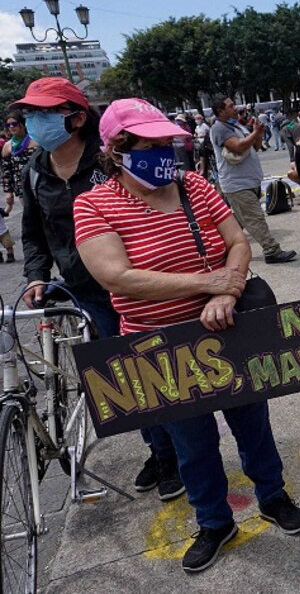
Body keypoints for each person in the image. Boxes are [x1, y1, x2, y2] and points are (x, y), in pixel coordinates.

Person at [74, 98, 300, 573]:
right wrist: (207, 283)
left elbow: (237, 242)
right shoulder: (93, 204)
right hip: (160, 348)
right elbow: (116, 277)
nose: (164, 152)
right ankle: (214, 522)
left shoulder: (195, 186)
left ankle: (273, 496)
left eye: (167, 142)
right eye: (150, 145)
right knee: (192, 444)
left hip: (228, 331)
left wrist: (227, 291)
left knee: (253, 425)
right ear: (117, 149)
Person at [10, 78, 183, 499]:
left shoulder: (111, 162)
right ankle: (159, 451)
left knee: (154, 371)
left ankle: (176, 455)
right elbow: (34, 233)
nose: (33, 121)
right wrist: (36, 275)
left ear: (76, 118)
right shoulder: (35, 171)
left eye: (44, 113)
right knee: (122, 378)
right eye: (29, 113)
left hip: (135, 284)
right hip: (84, 293)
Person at [209, 94, 296, 263]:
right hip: (237, 184)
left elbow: (254, 147)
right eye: (230, 106)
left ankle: (218, 249)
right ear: (220, 111)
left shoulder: (236, 126)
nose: (235, 108)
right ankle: (271, 250)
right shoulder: (219, 128)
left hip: (248, 182)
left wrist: (258, 134)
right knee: (255, 218)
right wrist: (255, 132)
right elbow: (238, 147)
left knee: (239, 220)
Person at [2, 108, 38, 211]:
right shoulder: (7, 146)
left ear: (23, 124)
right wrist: (8, 192)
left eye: (14, 124)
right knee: (31, 216)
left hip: (40, 184)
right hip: (22, 188)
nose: (11, 127)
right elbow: (6, 171)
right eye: (8, 125)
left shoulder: (36, 140)